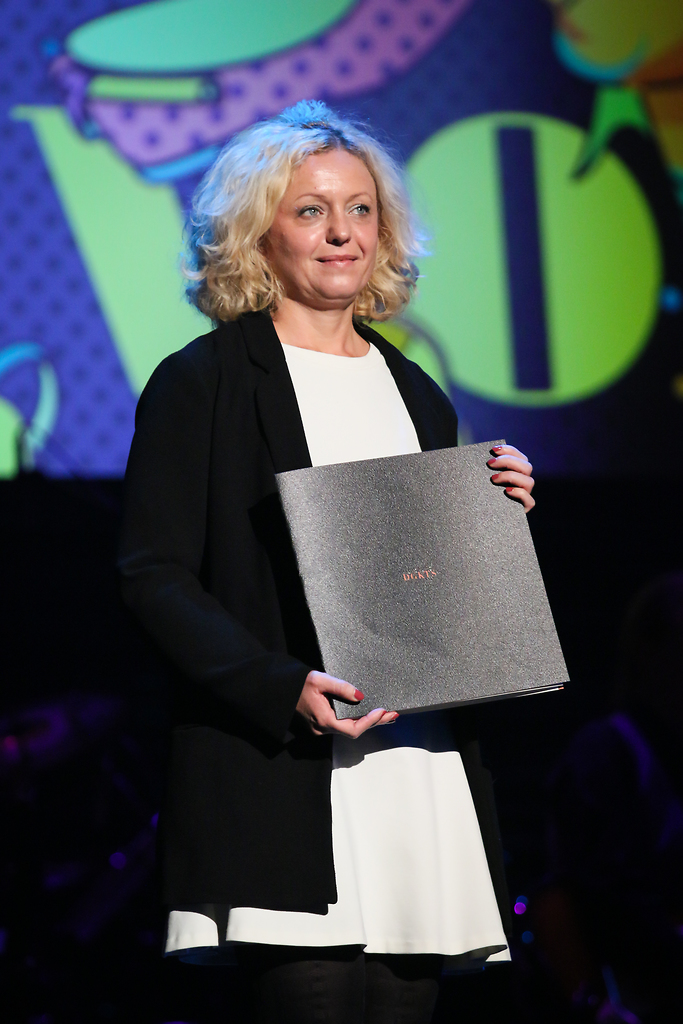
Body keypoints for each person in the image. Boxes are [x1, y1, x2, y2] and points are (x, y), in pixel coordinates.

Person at [118, 99, 536, 1024]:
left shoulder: (416, 393)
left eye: (359, 209)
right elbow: (152, 575)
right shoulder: (203, 382)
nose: (341, 233)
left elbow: (431, 589)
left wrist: (497, 522)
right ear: (256, 234)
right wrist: (280, 688)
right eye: (310, 210)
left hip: (413, 762)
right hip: (283, 767)